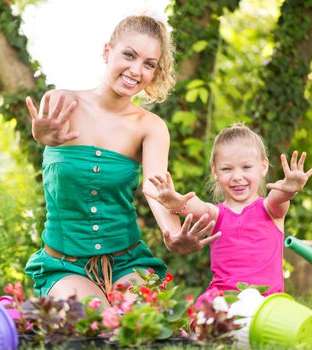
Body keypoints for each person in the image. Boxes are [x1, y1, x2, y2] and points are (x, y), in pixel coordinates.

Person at [23, 15, 220, 305]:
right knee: (94, 323)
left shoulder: (150, 126)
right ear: (107, 52)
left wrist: (172, 232)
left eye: (149, 64)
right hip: (65, 264)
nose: (136, 70)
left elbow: (155, 188)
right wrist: (41, 136)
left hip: (126, 262)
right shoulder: (61, 102)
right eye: (129, 55)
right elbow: (44, 136)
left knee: (143, 321)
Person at [145, 123, 312, 295]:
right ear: (215, 171)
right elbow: (197, 207)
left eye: (246, 167)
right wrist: (176, 202)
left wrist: (289, 188)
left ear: (263, 166)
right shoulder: (216, 214)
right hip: (224, 300)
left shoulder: (270, 209)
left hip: (266, 303)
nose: (237, 177)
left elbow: (279, 197)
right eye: (227, 169)